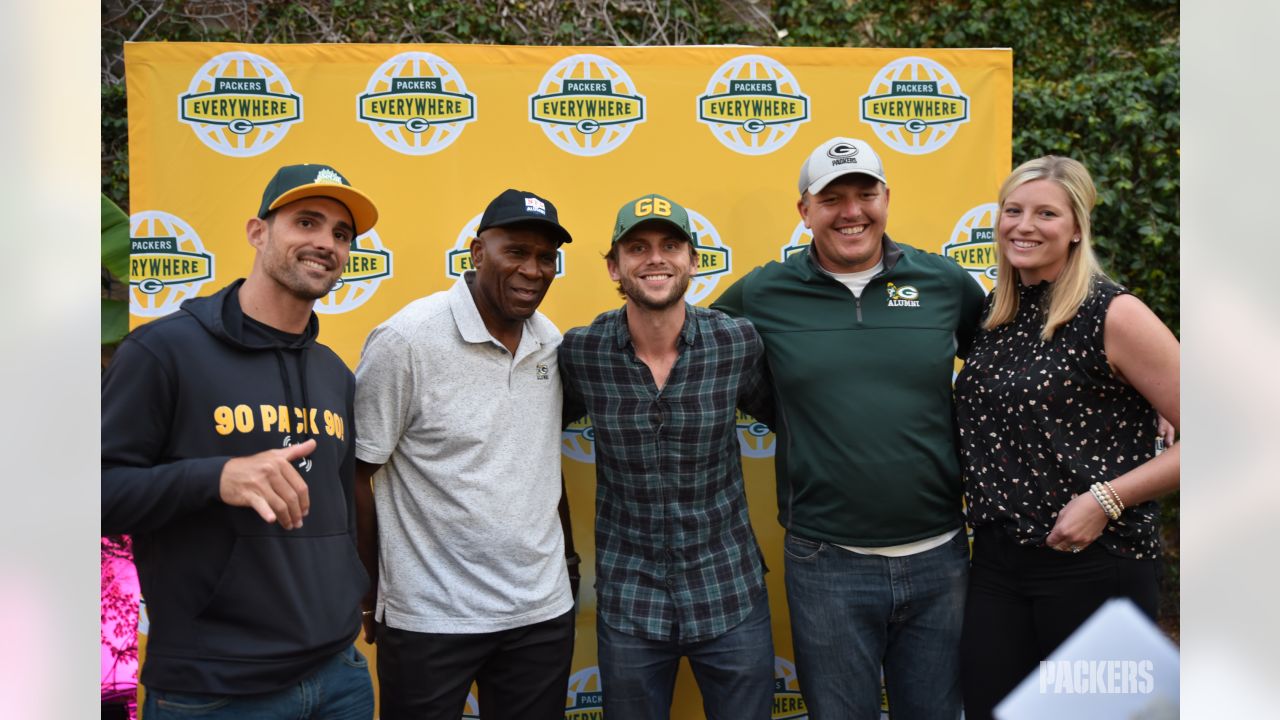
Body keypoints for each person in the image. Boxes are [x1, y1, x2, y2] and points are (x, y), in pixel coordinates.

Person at [712, 137, 985, 720]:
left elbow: (1019, 369)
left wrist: (1139, 389)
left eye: (866, 194)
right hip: (826, 562)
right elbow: (687, 348)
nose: (851, 211)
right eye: (831, 198)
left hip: (941, 555)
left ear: (887, 199)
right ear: (804, 211)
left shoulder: (945, 282)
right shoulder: (764, 291)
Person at [102, 163, 379, 719]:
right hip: (215, 688)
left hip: (338, 676)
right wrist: (217, 476)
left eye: (341, 234)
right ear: (258, 232)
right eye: (306, 222)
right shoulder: (163, 352)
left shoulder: (333, 373)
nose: (326, 243)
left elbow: (344, 501)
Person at [954, 156, 1180, 719]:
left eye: (1046, 213)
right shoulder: (992, 317)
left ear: (1077, 227)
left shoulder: (1114, 312)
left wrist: (1107, 499)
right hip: (998, 565)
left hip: (1095, 560)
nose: (1024, 225)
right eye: (1013, 210)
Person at [353, 189, 578, 720]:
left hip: (540, 615)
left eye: (546, 258)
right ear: (477, 253)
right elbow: (357, 474)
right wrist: (368, 594)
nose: (533, 270)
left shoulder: (550, 341)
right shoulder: (406, 341)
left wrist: (566, 565)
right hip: (431, 619)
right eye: (516, 252)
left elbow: (540, 461)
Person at [559, 194, 776, 720]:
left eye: (671, 245)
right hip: (630, 600)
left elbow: (798, 425)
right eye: (637, 247)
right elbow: (521, 436)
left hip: (730, 592)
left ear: (693, 260)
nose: (655, 258)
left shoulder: (737, 342)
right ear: (614, 267)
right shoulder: (580, 353)